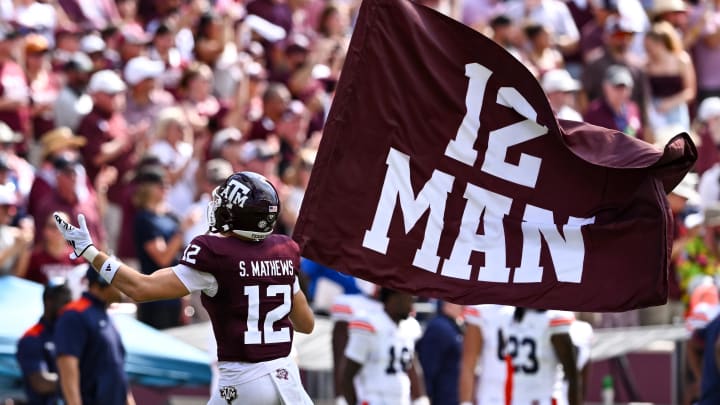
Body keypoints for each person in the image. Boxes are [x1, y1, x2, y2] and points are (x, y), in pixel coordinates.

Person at [53, 171, 315, 404]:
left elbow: (140, 288)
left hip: (242, 383)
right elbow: (306, 324)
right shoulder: (283, 251)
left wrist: (90, 252)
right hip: (287, 379)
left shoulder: (216, 255)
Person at [54, 268, 134, 405]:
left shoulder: (106, 316)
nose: (124, 286)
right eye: (119, 281)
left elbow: (117, 371)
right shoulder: (74, 315)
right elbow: (68, 373)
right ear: (100, 282)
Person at [340, 287, 428, 405]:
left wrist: (420, 400)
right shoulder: (370, 323)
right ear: (393, 297)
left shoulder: (409, 327)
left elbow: (411, 367)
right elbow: (347, 375)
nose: (412, 303)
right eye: (409, 297)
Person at [503, 308, 580, 405]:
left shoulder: (554, 317)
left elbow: (572, 375)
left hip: (544, 399)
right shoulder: (512, 316)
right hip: (516, 398)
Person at [16, 281, 72, 405]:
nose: (67, 307)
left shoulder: (70, 333)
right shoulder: (32, 336)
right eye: (63, 301)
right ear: (48, 301)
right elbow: (40, 382)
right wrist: (78, 380)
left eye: (69, 302)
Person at [458, 304, 514, 405]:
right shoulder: (482, 311)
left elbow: (468, 365)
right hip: (493, 395)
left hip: (528, 394)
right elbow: (469, 364)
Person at [415, 301, 464, 405]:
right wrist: (426, 397)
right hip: (442, 399)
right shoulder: (439, 328)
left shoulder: (452, 325)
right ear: (446, 305)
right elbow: (427, 367)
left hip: (452, 397)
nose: (462, 306)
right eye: (457, 302)